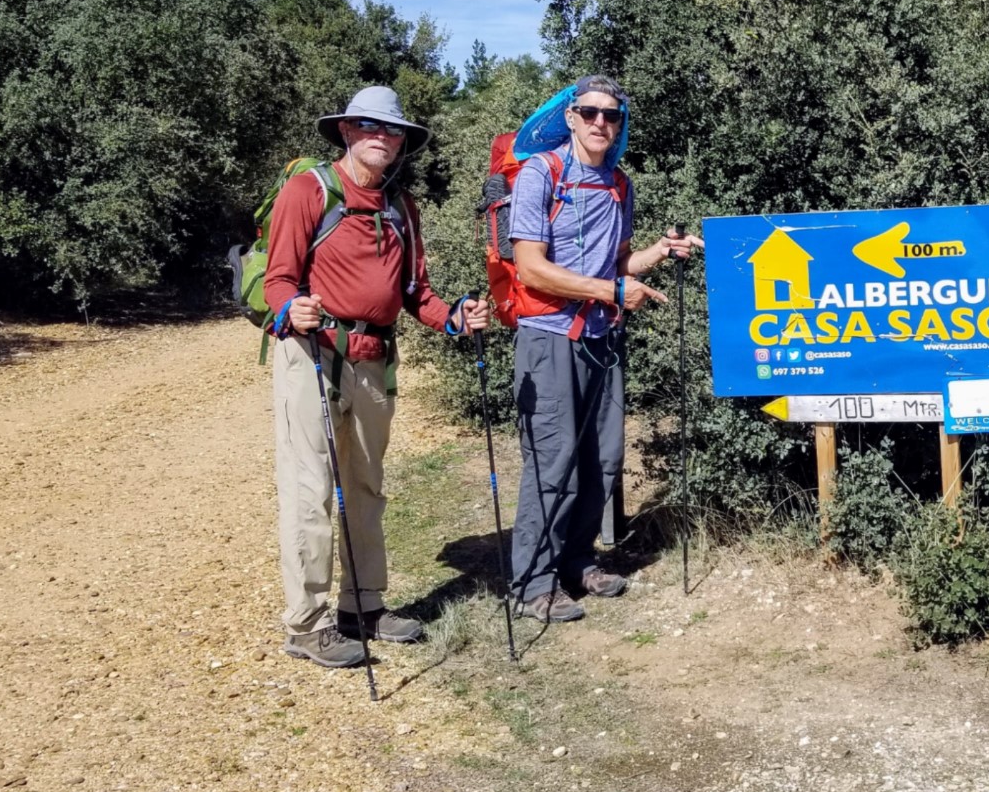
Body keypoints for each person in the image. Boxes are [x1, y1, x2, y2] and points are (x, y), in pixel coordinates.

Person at [263, 85, 488, 668]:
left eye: (391, 131)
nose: (381, 137)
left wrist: (455, 320)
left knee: (364, 486)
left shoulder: (400, 207)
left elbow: (415, 292)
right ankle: (306, 626)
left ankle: (361, 605)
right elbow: (279, 280)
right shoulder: (306, 191)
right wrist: (294, 309)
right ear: (346, 131)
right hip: (312, 355)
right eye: (369, 127)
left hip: (373, 359)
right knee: (312, 491)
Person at [507, 75, 702, 622]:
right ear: (571, 117)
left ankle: (577, 561)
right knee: (553, 459)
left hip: (601, 339)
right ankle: (531, 583)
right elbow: (531, 268)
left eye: (611, 116)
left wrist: (660, 252)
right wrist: (612, 293)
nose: (600, 123)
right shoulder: (538, 175)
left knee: (602, 460)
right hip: (549, 339)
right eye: (590, 112)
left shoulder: (619, 183)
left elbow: (618, 264)